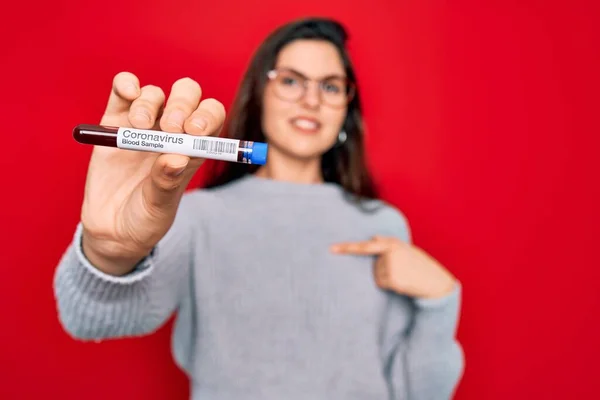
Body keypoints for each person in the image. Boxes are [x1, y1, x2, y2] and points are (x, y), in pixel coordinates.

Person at [53, 17, 464, 400]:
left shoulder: (383, 226)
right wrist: (108, 252)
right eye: (290, 80)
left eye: (331, 86)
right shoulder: (199, 218)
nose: (311, 100)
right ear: (259, 94)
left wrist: (441, 300)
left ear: (345, 110)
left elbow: (418, 392)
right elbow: (88, 320)